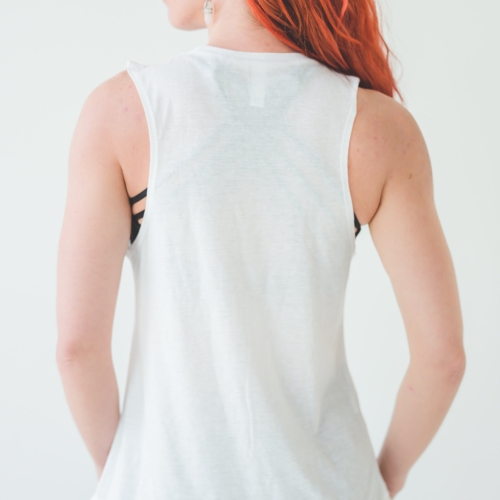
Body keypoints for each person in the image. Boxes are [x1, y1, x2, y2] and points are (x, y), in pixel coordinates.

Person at [55, 0, 466, 498]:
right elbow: (442, 358)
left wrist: (127, 472)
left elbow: (77, 349)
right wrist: (384, 480)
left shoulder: (121, 111)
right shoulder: (379, 129)